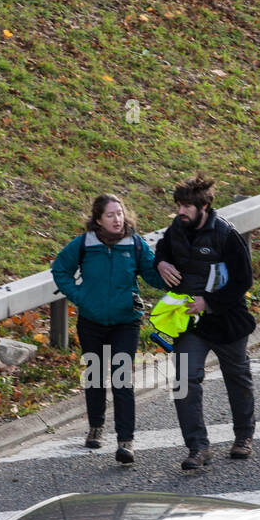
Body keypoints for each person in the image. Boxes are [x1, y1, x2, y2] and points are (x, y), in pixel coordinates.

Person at [51, 194, 167, 464]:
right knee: (94, 376)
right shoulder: (84, 244)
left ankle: (126, 441)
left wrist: (169, 272)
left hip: (127, 321)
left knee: (121, 378)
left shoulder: (135, 244)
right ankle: (96, 426)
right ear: (98, 220)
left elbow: (152, 275)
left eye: (120, 213)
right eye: (111, 215)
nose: (118, 219)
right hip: (91, 321)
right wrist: (80, 297)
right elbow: (60, 270)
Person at [153, 174, 257, 469]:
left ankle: (243, 437)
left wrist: (209, 302)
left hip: (227, 320)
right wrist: (160, 262)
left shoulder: (227, 235)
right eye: (178, 206)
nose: (180, 212)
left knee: (237, 379)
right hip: (190, 322)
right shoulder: (177, 228)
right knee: (185, 382)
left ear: (205, 207)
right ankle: (198, 448)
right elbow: (163, 248)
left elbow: (243, 281)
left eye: (187, 206)